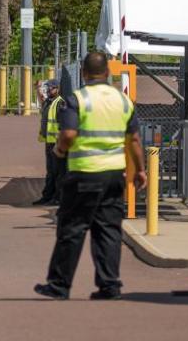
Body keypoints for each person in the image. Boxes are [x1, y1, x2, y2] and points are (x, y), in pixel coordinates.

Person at [35, 52, 146, 301]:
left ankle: (59, 285)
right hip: (114, 175)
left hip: (84, 174)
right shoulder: (123, 101)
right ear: (107, 73)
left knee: (72, 229)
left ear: (84, 74)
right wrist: (139, 169)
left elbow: (69, 134)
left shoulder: (77, 99)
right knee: (108, 230)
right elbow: (135, 140)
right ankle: (110, 285)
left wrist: (59, 150)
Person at [33, 79, 65, 206]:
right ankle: (47, 196)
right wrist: (38, 89)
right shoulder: (49, 102)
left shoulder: (60, 103)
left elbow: (63, 124)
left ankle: (57, 198)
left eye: (51, 88)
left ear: (57, 89)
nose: (49, 90)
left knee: (57, 172)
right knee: (50, 171)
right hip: (49, 142)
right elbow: (42, 100)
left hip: (56, 143)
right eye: (48, 88)